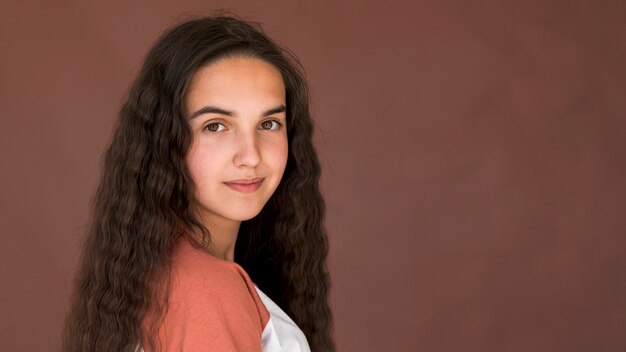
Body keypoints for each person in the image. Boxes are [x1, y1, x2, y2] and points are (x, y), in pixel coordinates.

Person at [62, 14, 334, 352]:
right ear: (166, 140)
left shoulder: (157, 272)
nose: (250, 156)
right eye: (216, 126)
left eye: (269, 124)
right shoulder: (207, 287)